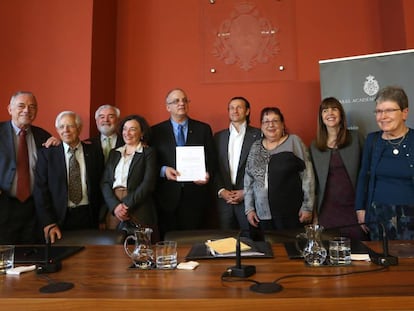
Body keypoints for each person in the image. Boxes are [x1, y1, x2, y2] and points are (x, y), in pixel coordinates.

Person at [151, 88, 216, 238]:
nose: (181, 103)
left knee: (195, 242)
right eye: (176, 101)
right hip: (166, 198)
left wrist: (207, 174)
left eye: (184, 100)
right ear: (168, 107)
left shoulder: (203, 129)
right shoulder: (156, 131)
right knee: (169, 242)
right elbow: (150, 163)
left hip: (196, 197)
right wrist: (163, 170)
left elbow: (212, 159)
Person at [33, 111, 104, 243]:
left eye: (70, 126)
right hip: (59, 218)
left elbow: (102, 183)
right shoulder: (47, 154)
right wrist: (48, 222)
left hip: (88, 216)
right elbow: (40, 190)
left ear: (79, 128)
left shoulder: (94, 151)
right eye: (61, 127)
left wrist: (102, 218)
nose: (65, 130)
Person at [355, 86, 414, 240]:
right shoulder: (372, 140)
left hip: (410, 216)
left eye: (389, 110)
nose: (383, 116)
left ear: (404, 113)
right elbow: (363, 176)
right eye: (379, 111)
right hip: (378, 216)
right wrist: (360, 208)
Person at [244, 107, 314, 232]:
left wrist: (307, 207)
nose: (270, 125)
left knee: (291, 249)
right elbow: (248, 181)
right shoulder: (255, 147)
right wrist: (249, 209)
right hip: (262, 215)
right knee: (268, 249)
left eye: (275, 121)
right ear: (261, 126)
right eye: (266, 121)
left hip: (291, 213)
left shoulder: (294, 142)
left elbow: (308, 176)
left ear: (282, 124)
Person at [310, 97, 366, 240]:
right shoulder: (315, 147)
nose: (330, 113)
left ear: (341, 114)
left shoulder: (356, 138)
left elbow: (367, 174)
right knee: (331, 255)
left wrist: (364, 207)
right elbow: (313, 184)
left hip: (354, 209)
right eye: (325, 110)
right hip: (328, 212)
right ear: (321, 117)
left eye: (334, 109)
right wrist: (315, 216)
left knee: (360, 254)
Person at [0, 91, 52, 244]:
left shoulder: (43, 136)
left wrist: (57, 147)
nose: (26, 110)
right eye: (21, 106)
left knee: (31, 256)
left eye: (32, 107)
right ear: (10, 109)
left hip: (33, 209)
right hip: (4, 206)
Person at [101, 114, 158, 236]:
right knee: (113, 249)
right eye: (125, 129)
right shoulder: (114, 153)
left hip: (138, 205)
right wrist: (115, 206)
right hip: (114, 205)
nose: (127, 133)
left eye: (132, 129)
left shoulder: (148, 153)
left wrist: (126, 204)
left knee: (139, 248)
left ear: (142, 133)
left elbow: (148, 183)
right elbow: (105, 182)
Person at [214, 96, 260, 231]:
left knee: (251, 243)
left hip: (249, 200)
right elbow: (214, 167)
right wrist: (221, 191)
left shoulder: (259, 135)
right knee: (226, 244)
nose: (235, 111)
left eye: (239, 107)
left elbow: (263, 169)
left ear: (247, 111)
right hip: (224, 201)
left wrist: (246, 192)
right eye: (231, 108)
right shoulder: (218, 137)